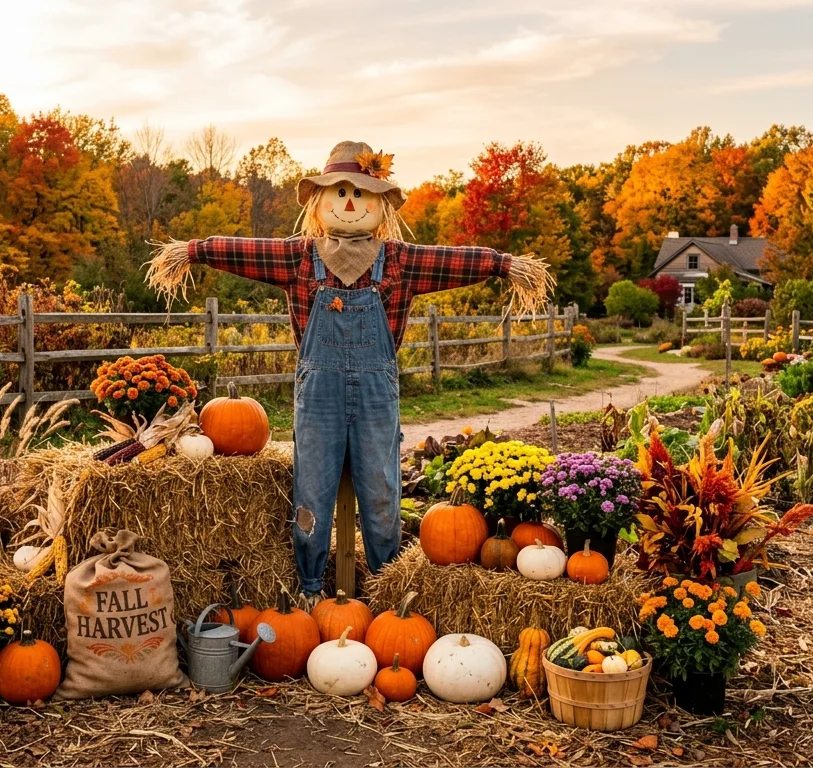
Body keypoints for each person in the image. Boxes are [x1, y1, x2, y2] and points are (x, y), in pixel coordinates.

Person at [147, 141, 552, 607]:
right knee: (311, 496)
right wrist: (193, 252)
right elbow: (241, 250)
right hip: (318, 398)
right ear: (319, 203)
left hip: (378, 398)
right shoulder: (299, 257)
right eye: (339, 192)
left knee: (382, 500)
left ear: (381, 206)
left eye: (361, 194)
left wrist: (503, 265)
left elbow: (455, 258)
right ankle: (311, 594)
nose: (349, 202)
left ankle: (385, 593)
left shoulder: (400, 260)